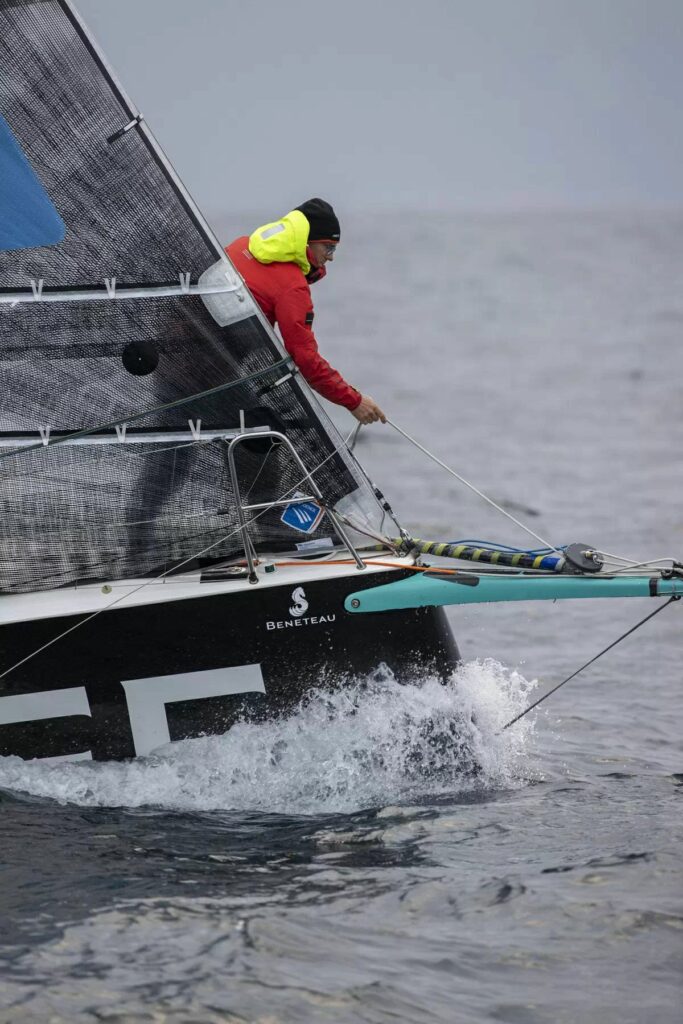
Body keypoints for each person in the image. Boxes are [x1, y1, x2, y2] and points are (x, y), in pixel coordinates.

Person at [226, 198, 385, 424]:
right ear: (306, 243)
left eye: (335, 248)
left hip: (182, 358)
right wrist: (354, 401)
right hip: (212, 372)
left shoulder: (241, 245)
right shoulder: (292, 286)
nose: (331, 256)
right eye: (328, 247)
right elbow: (305, 358)